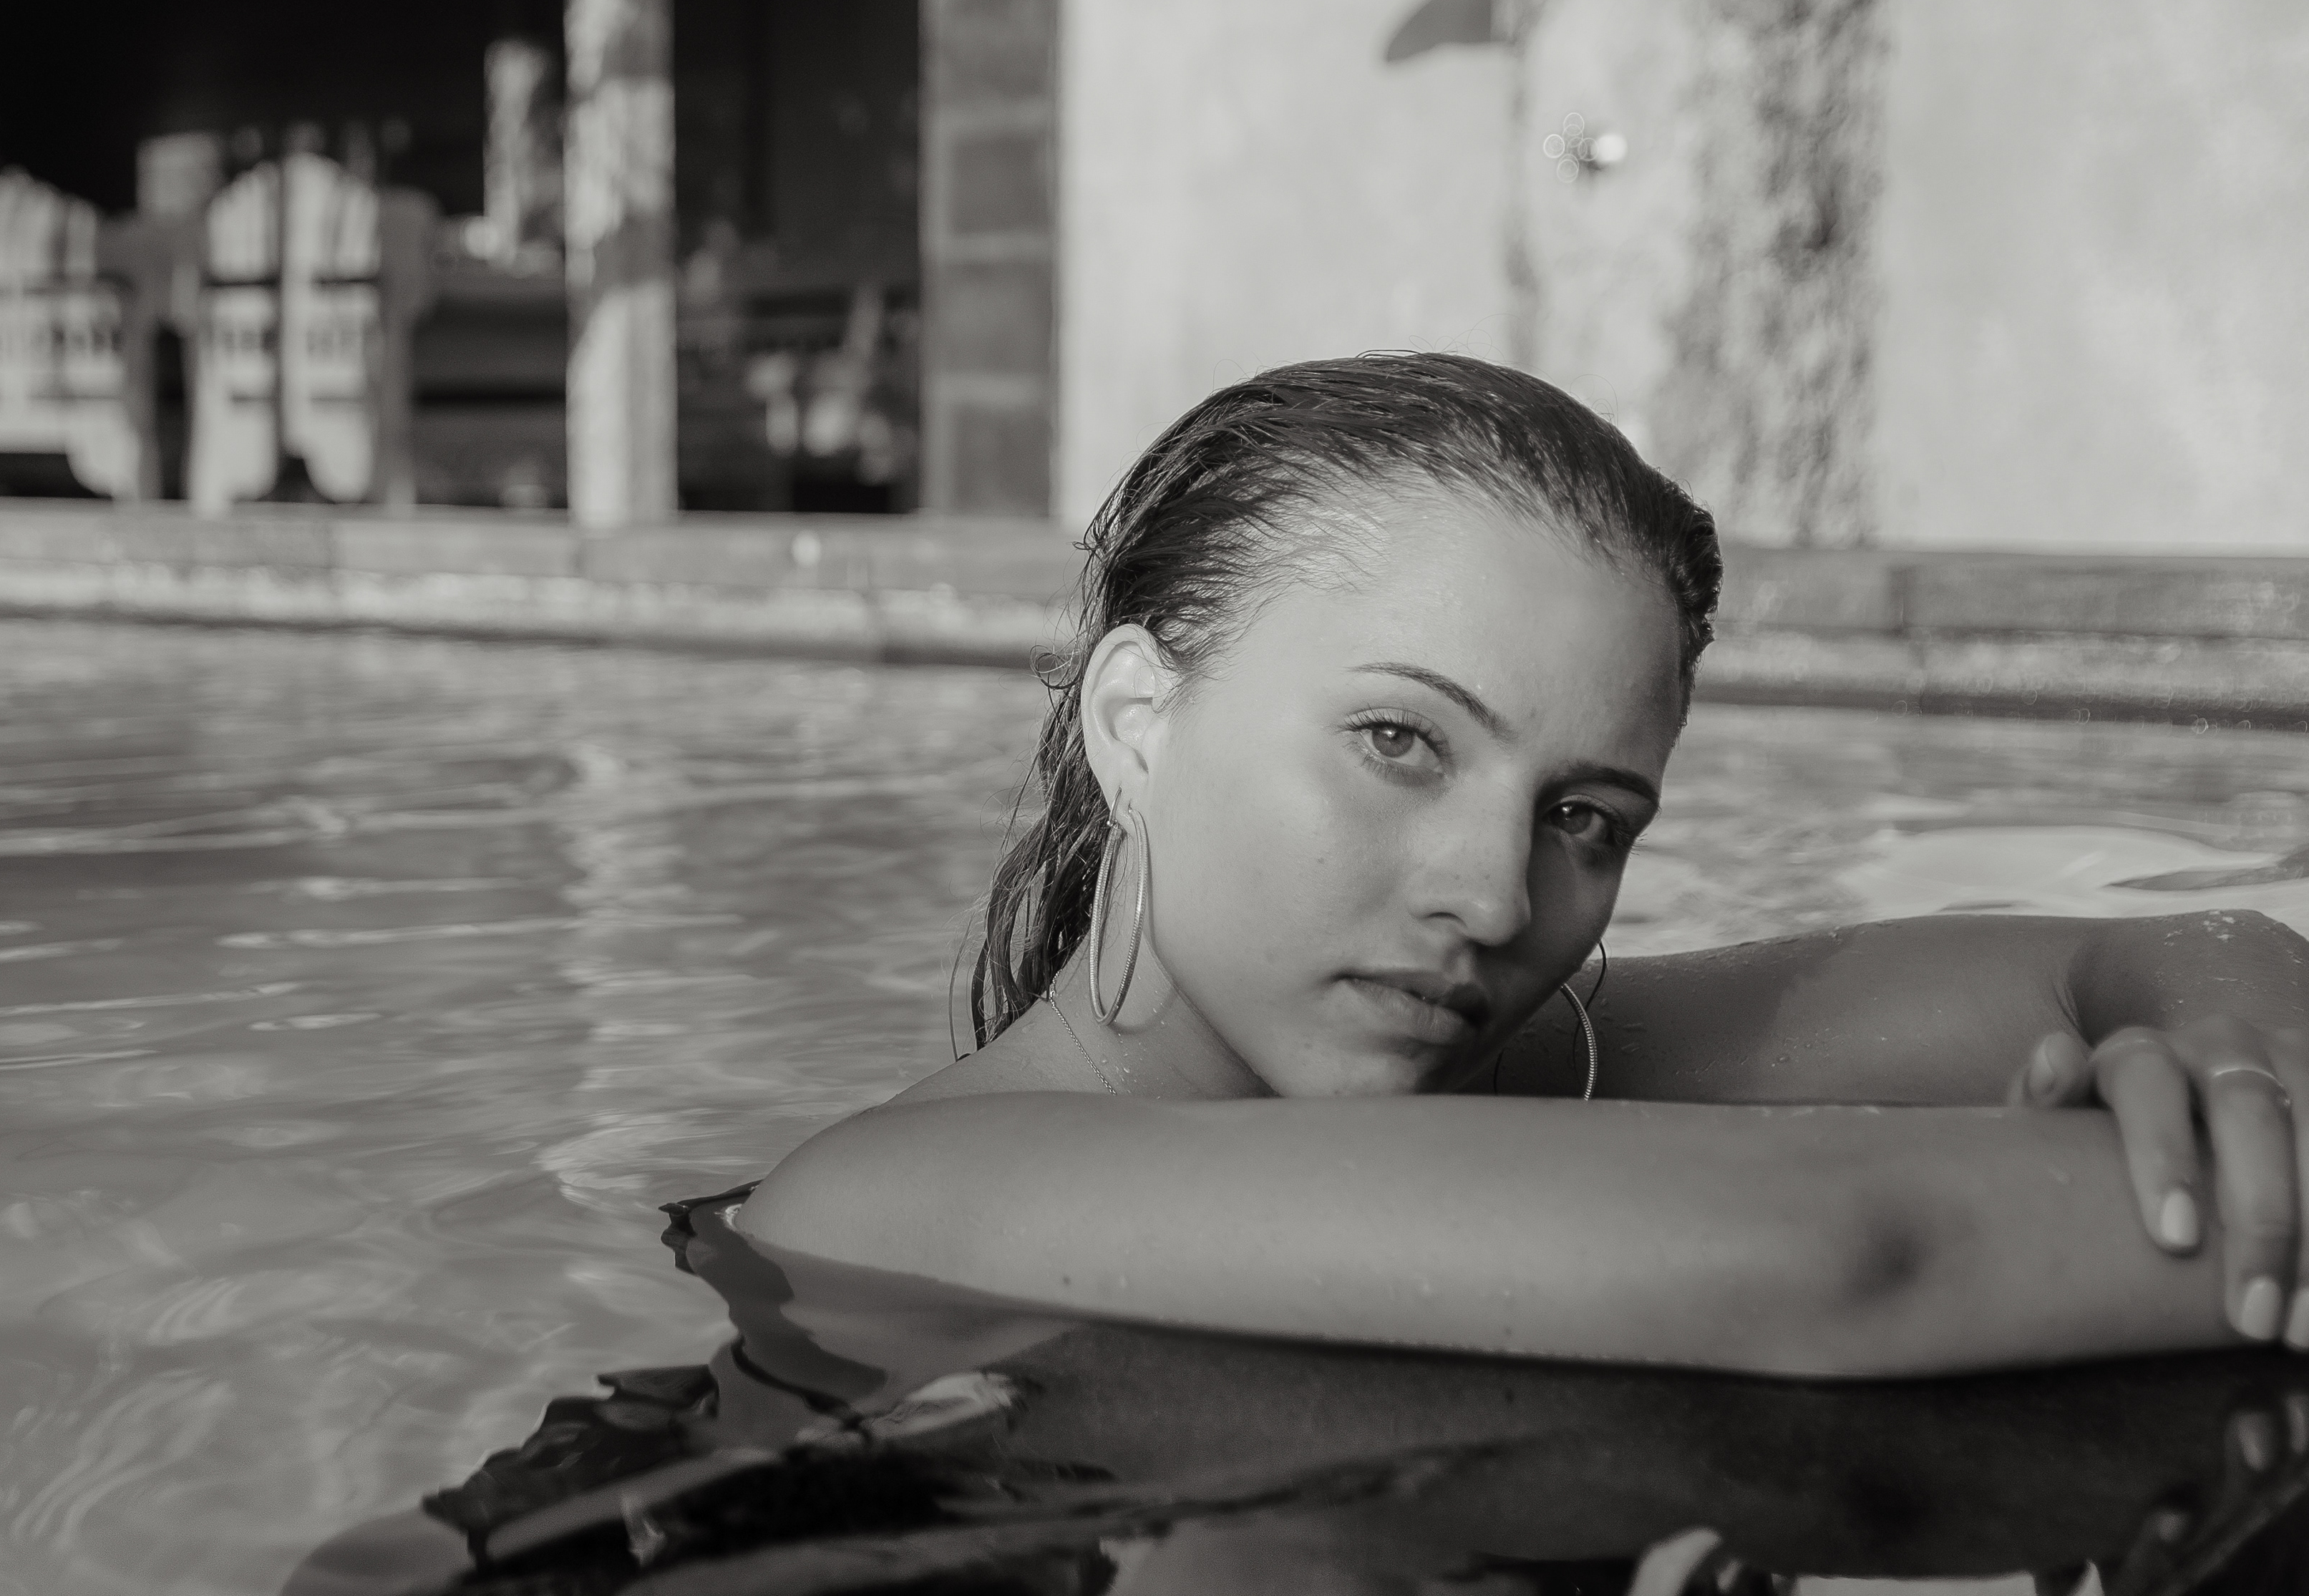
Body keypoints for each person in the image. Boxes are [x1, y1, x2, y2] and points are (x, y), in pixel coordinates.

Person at [741, 353, 2309, 1376]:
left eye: (1586, 820)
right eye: (1401, 743)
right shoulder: (902, 1190)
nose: (1495, 903)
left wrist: (2245, 1056)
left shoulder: (1500, 1059)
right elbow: (1817, 1259)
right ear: (1138, 721)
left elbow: (2141, 953)